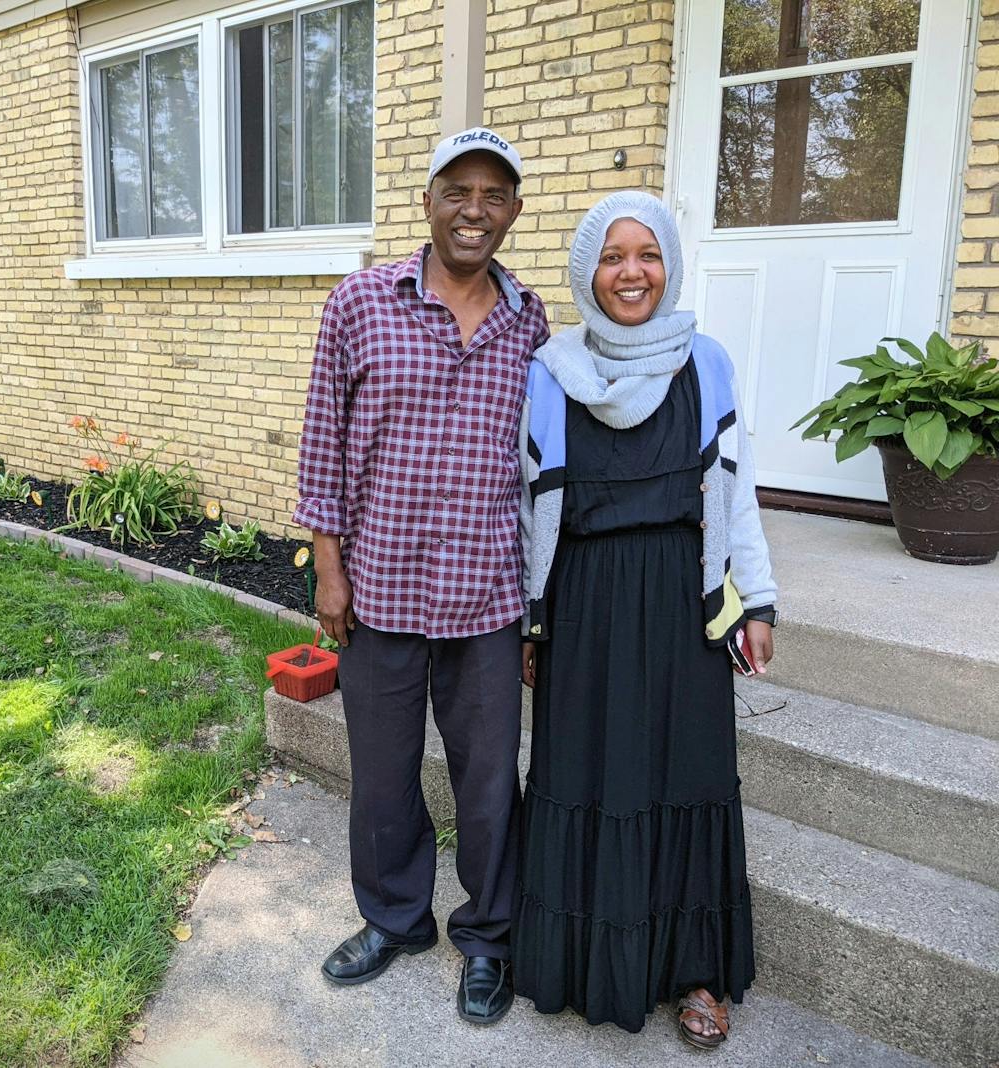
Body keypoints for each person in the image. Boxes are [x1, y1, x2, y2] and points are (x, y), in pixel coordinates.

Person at [293, 127, 550, 1025]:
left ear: (512, 210)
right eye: (458, 191)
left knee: (488, 782)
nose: (474, 210)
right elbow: (321, 445)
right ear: (429, 200)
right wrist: (330, 571)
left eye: (494, 195)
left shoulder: (531, 321)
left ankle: (486, 938)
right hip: (382, 593)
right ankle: (395, 920)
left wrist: (541, 611)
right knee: (384, 776)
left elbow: (541, 467)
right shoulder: (360, 303)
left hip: (487, 596)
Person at [511, 190, 778, 1049]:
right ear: (588, 271)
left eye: (648, 254)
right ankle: (588, 955)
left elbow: (738, 501)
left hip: (678, 602)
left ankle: (694, 969)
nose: (632, 272)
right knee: (587, 777)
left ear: (669, 265)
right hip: (583, 607)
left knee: (684, 778)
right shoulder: (550, 375)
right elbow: (527, 512)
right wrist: (530, 622)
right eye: (613, 256)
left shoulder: (709, 365)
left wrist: (757, 601)